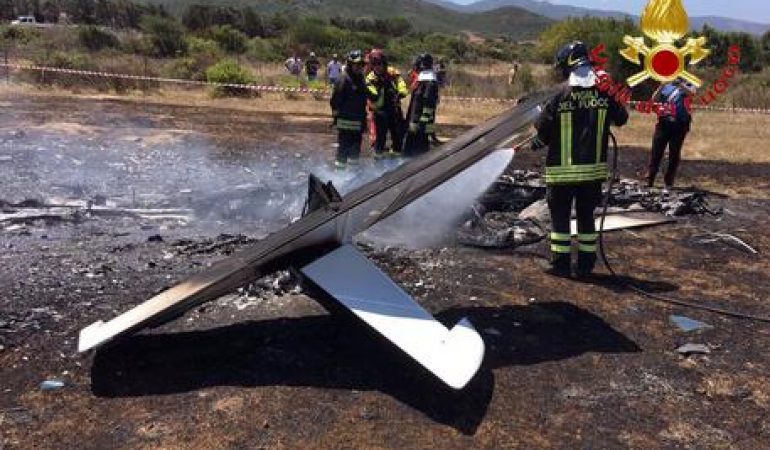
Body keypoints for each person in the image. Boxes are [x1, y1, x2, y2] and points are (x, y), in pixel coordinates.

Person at [532, 41, 629, 278]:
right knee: (587, 218)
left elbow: (542, 126)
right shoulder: (605, 92)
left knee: (560, 220)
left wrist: (538, 141)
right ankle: (586, 266)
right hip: (593, 173)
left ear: (567, 65)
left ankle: (561, 264)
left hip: (561, 172)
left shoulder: (559, 94)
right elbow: (622, 118)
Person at [645, 78, 696, 194]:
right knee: (656, 151)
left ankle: (668, 182)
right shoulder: (667, 85)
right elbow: (654, 99)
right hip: (664, 122)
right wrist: (661, 86)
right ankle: (650, 178)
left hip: (680, 123)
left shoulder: (689, 83)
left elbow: (692, 94)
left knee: (674, 153)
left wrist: (681, 85)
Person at [365, 49, 409, 159]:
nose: (377, 67)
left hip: (395, 110)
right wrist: (375, 92)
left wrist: (402, 91)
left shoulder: (392, 72)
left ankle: (396, 159)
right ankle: (378, 162)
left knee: (397, 136)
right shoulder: (371, 78)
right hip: (380, 112)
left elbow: (401, 82)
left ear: (384, 63)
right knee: (380, 139)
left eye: (380, 64)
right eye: (374, 64)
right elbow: (371, 92)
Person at [330, 50, 367, 169]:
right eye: (357, 64)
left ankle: (353, 177)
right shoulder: (343, 79)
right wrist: (336, 118)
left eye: (361, 64)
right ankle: (340, 177)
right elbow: (335, 101)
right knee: (343, 152)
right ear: (350, 64)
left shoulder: (361, 79)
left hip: (358, 123)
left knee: (355, 153)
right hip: (345, 123)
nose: (359, 67)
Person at [403, 52, 439, 157]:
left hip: (420, 127)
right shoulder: (422, 82)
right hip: (415, 126)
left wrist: (421, 124)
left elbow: (428, 105)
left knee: (418, 155)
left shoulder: (430, 83)